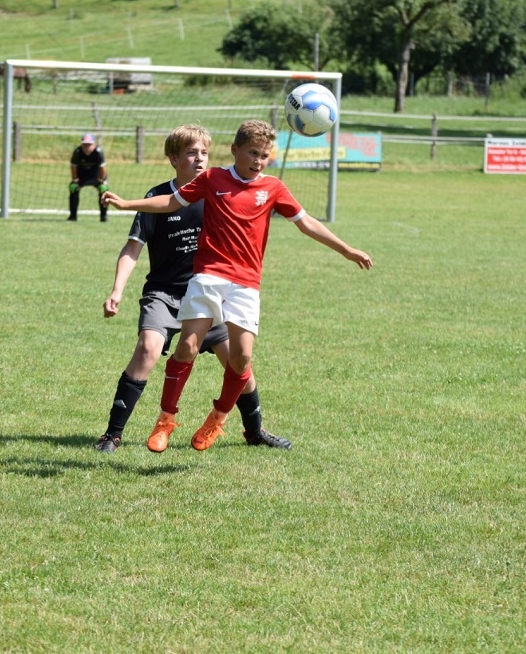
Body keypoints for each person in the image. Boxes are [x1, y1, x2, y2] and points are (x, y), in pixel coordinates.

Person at [102, 119, 372, 451]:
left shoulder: (273, 187)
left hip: (244, 284)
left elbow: (306, 223)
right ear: (235, 150)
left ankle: (227, 422)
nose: (258, 161)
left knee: (242, 359)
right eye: (253, 153)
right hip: (202, 280)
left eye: (264, 155)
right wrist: (126, 204)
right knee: (182, 348)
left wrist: (346, 249)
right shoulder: (212, 180)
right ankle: (159, 421)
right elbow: (169, 203)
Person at [95, 124, 290, 452]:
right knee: (147, 349)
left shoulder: (218, 190)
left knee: (239, 360)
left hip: (209, 294)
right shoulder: (157, 198)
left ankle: (255, 430)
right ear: (174, 159)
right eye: (191, 153)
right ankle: (112, 434)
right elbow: (133, 247)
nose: (199, 158)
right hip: (165, 293)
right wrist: (117, 290)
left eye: (204, 152)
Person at [69, 133, 108, 222]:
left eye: (89, 145)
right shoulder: (77, 152)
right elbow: (73, 167)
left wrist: (102, 180)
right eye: (85, 145)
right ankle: (72, 216)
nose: (87, 147)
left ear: (94, 144)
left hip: (96, 176)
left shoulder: (98, 152)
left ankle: (104, 217)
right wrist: (75, 180)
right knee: (73, 188)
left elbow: (102, 168)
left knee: (103, 189)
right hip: (82, 175)